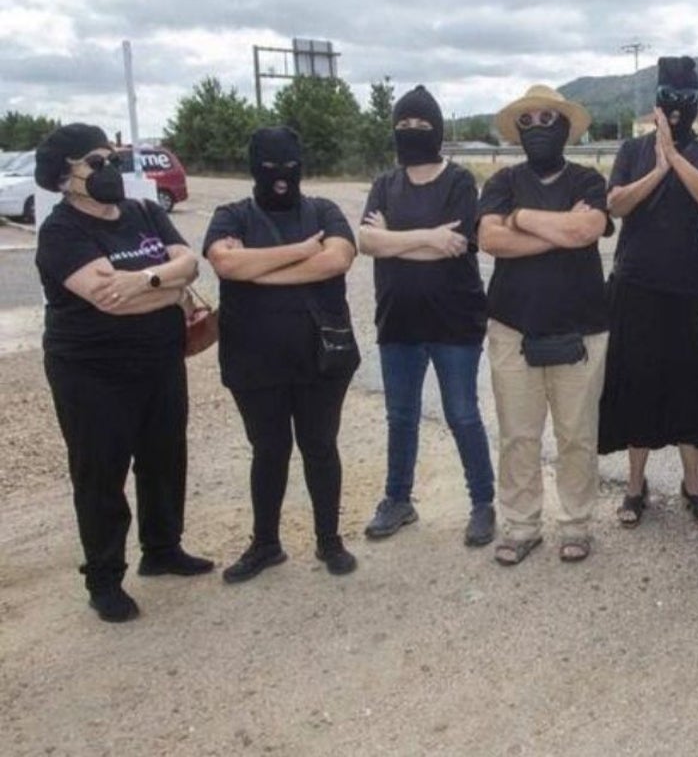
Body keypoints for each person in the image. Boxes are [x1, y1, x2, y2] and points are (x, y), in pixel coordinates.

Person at [34, 123, 212, 623]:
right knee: (101, 471)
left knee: (163, 456)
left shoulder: (144, 212)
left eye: (112, 159)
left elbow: (188, 263)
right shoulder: (62, 230)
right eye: (95, 162)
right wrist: (168, 290)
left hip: (159, 360)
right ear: (65, 176)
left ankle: (162, 548)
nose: (108, 170)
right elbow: (106, 299)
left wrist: (150, 280)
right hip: (91, 371)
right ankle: (105, 577)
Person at [204, 126, 359, 583]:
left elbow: (336, 260)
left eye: (289, 166)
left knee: (320, 448)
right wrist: (300, 251)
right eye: (270, 167)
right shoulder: (230, 214)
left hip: (321, 359)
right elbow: (225, 264)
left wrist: (259, 269)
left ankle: (329, 541)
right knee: (268, 451)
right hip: (253, 361)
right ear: (253, 167)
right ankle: (266, 544)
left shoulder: (324, 209)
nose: (281, 177)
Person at [477, 86, 610, 565]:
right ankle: (521, 524)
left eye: (546, 119)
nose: (537, 127)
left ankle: (576, 524)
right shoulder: (501, 182)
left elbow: (587, 230)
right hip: (513, 329)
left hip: (583, 330)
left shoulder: (588, 180)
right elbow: (491, 239)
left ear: (565, 128)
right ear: (517, 132)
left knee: (577, 434)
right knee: (518, 434)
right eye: (527, 120)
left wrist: (523, 219)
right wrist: (558, 232)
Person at [358, 85, 496, 547]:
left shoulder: (458, 181)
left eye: (420, 124)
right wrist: (427, 238)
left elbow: (456, 245)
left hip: (455, 322)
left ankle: (482, 503)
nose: (411, 132)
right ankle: (398, 500)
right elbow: (367, 243)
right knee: (401, 416)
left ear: (436, 128)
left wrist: (396, 239)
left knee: (462, 414)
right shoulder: (384, 183)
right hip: (397, 321)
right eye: (403, 124)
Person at [600, 56, 698, 528]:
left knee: (690, 388)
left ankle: (693, 484)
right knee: (637, 385)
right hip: (635, 287)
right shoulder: (633, 150)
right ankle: (635, 485)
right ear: (656, 102)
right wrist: (656, 169)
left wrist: (675, 158)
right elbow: (614, 205)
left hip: (693, 289)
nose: (676, 109)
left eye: (685, 101)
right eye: (668, 100)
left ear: (696, 103)